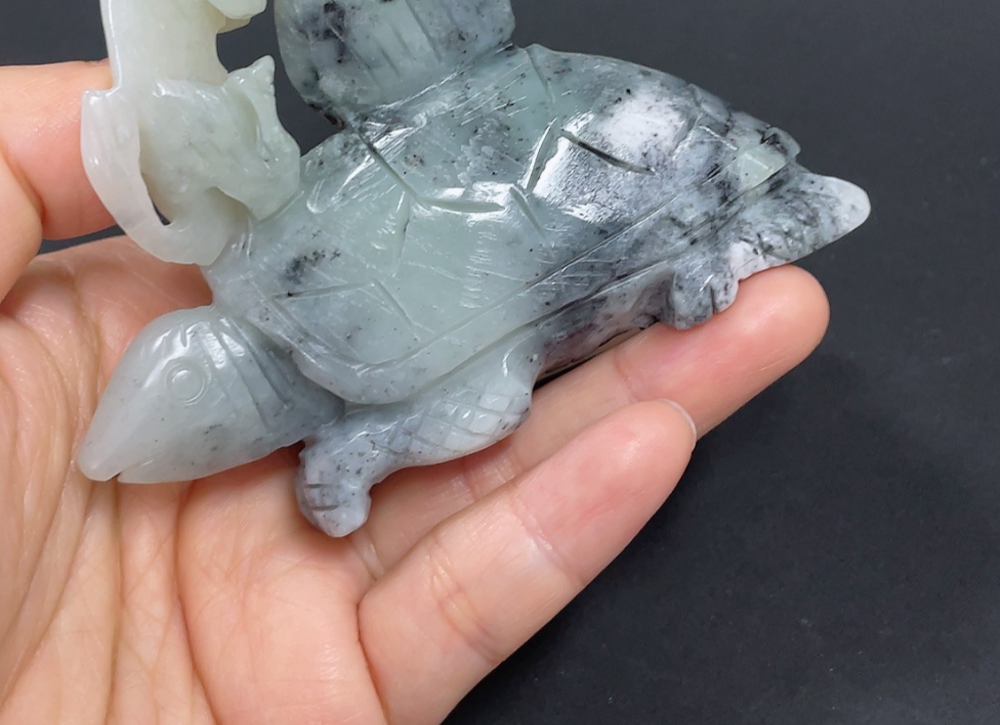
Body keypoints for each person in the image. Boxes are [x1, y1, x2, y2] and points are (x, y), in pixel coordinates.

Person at [0, 61, 830, 724]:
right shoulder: (261, 264)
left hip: (639, 173)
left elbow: (488, 400)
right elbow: (487, 399)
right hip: (559, 145)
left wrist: (373, 447)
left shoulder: (318, 320)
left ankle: (738, 230)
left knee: (739, 254)